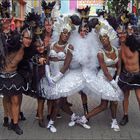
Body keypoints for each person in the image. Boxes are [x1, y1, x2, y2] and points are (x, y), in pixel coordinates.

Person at [76, 28, 123, 132]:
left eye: (105, 37)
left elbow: (119, 66)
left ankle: (113, 121)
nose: (104, 39)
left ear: (109, 38)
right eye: (101, 38)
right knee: (105, 105)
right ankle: (84, 118)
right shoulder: (100, 54)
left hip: (113, 78)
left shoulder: (117, 50)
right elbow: (105, 71)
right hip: (103, 79)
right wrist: (114, 84)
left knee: (111, 103)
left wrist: (118, 78)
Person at [0, 28, 32, 135]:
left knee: (15, 100)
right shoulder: (12, 46)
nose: (29, 40)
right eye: (27, 38)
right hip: (2, 76)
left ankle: (15, 123)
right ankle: (7, 119)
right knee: (7, 98)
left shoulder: (26, 50)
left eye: (30, 38)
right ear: (21, 37)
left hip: (14, 76)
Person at [117, 25, 140, 126]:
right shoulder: (119, 47)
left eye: (123, 33)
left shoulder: (134, 44)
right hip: (126, 76)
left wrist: (131, 33)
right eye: (120, 33)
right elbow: (120, 64)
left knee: (139, 97)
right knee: (125, 96)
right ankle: (125, 116)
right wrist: (118, 76)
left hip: (137, 75)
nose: (121, 35)